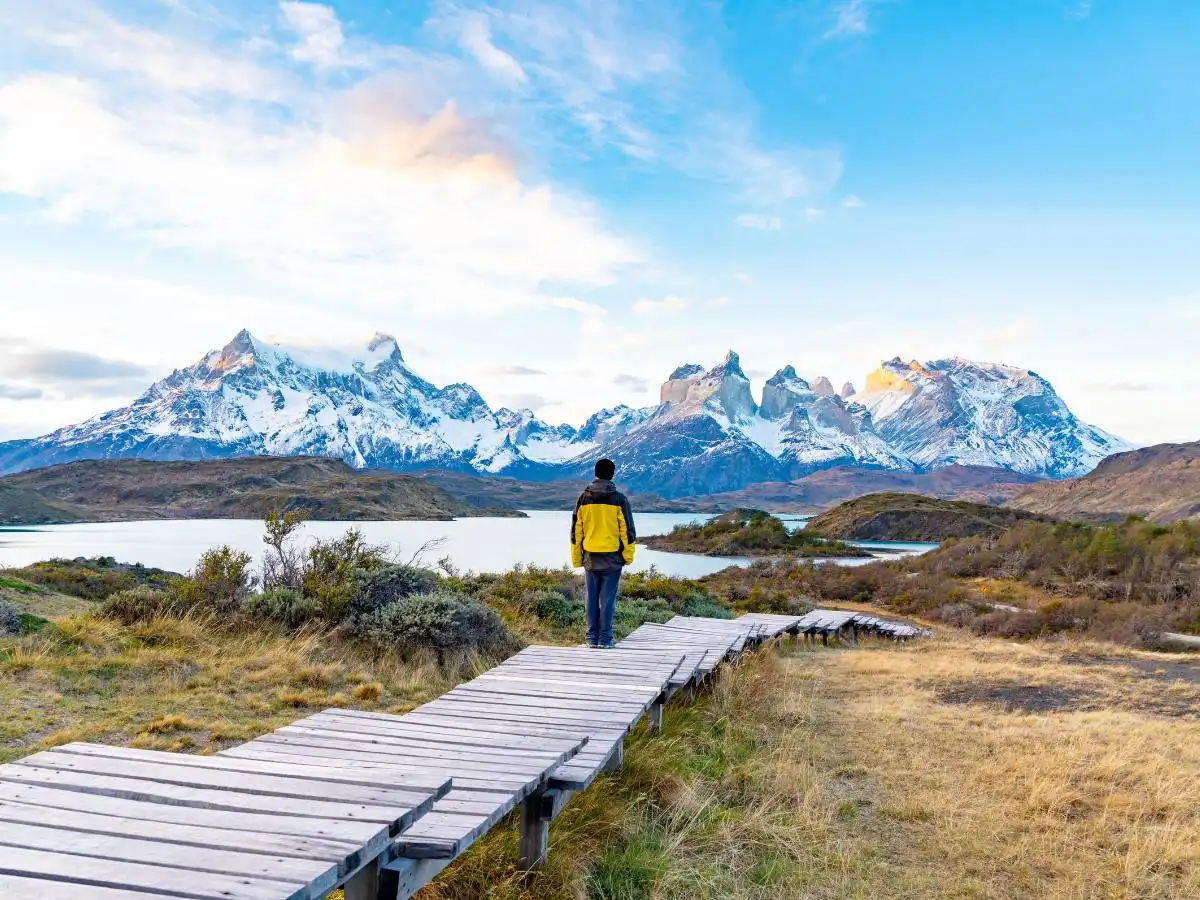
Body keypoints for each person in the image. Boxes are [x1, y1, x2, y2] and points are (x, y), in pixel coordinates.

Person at [570, 457, 636, 648]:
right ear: (612, 475)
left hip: (590, 557)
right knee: (607, 600)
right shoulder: (619, 499)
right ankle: (605, 640)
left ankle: (591, 639)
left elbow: (576, 532)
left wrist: (577, 558)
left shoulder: (583, 498)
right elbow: (628, 531)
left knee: (591, 598)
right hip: (613, 557)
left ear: (596, 473)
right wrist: (628, 556)